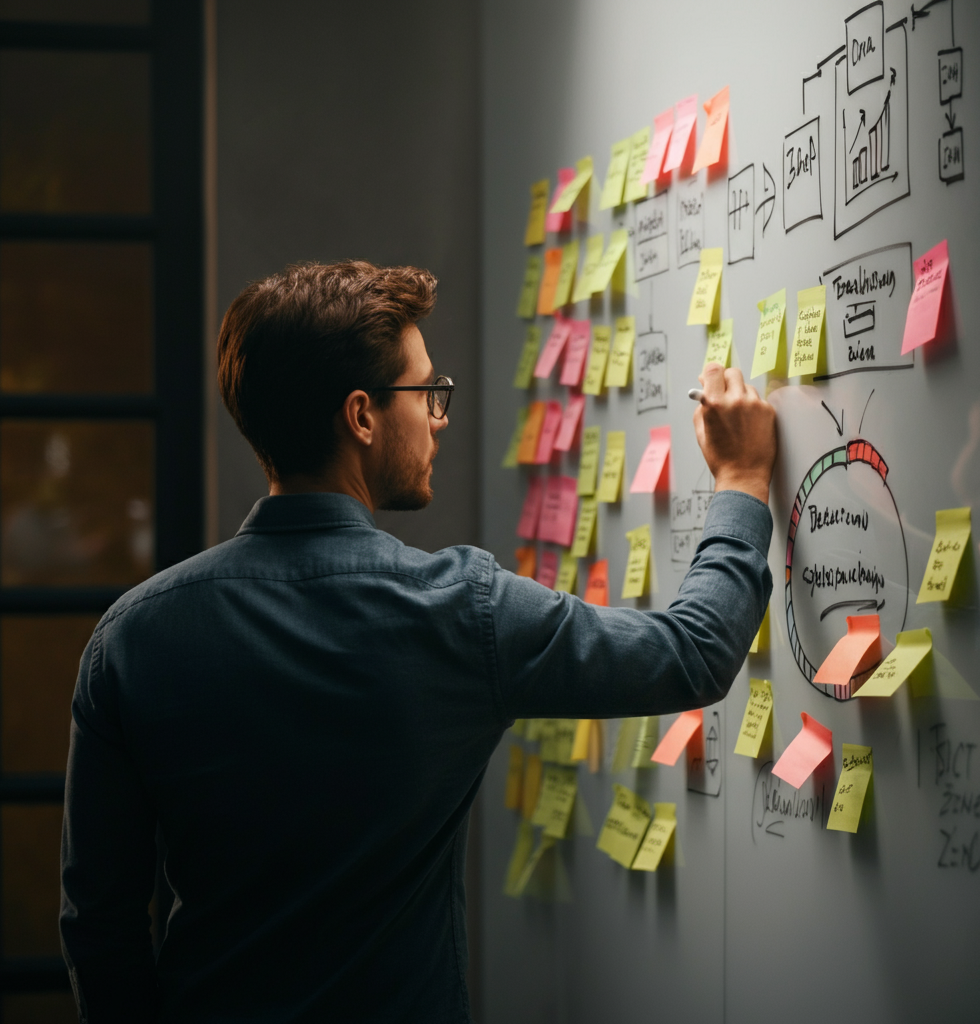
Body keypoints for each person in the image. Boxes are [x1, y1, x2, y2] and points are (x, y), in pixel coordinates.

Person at [60, 260, 777, 1022]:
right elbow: (693, 653)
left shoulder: (131, 639)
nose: (440, 417)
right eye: (427, 392)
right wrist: (742, 478)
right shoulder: (460, 611)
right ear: (362, 416)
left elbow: (99, 924)